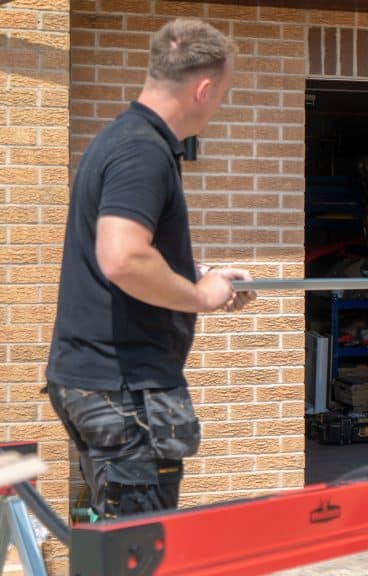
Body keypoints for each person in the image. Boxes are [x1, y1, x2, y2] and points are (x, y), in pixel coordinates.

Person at [46, 19, 255, 520]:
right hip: (124, 392)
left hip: (101, 383)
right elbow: (122, 258)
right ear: (203, 89)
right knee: (139, 548)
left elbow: (132, 253)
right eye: (223, 92)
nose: (220, 104)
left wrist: (200, 274)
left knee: (114, 539)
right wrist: (200, 297)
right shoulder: (143, 151)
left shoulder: (123, 139)